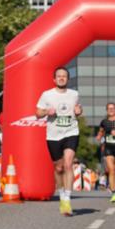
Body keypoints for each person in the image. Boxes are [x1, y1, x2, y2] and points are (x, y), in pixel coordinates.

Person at [34, 66, 83, 216]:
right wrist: (46, 112)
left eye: (64, 76)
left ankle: (67, 200)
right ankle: (62, 194)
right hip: (53, 135)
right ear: (54, 79)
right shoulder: (47, 95)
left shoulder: (74, 94)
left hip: (71, 132)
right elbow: (37, 113)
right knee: (59, 167)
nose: (62, 78)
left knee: (68, 163)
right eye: (59, 76)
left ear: (68, 79)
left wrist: (79, 112)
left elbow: (78, 111)